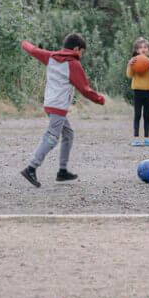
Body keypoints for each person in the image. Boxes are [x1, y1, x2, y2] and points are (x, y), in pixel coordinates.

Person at [19, 33, 105, 187]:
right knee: (52, 137)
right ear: (76, 48)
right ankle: (31, 168)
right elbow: (84, 89)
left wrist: (23, 42)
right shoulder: (73, 64)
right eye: (81, 52)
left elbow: (33, 49)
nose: (81, 56)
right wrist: (100, 99)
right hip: (58, 106)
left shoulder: (50, 56)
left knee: (68, 134)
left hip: (50, 103)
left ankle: (62, 171)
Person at [126, 37, 149, 146]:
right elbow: (129, 75)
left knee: (146, 115)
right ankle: (136, 138)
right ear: (136, 50)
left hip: (148, 91)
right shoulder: (134, 61)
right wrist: (130, 65)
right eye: (140, 47)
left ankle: (147, 138)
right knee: (137, 114)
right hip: (137, 91)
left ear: (148, 49)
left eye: (145, 47)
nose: (143, 49)